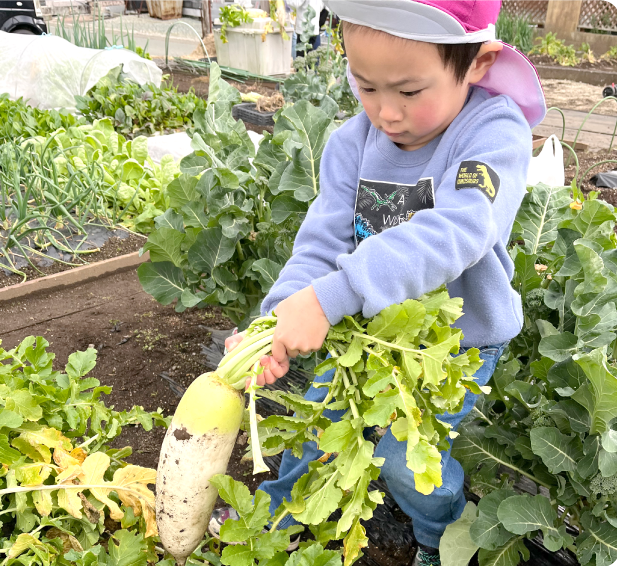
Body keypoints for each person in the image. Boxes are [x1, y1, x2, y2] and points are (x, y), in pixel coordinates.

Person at [209, 1, 547, 564]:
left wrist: (332, 297)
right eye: (365, 86)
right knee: (319, 421)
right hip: (368, 331)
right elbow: (320, 245)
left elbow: (461, 229)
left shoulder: (492, 132)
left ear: (479, 63)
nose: (386, 112)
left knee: (405, 459)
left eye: (410, 91)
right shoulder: (350, 143)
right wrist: (274, 322)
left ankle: (440, 539)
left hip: (455, 345)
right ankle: (280, 513)